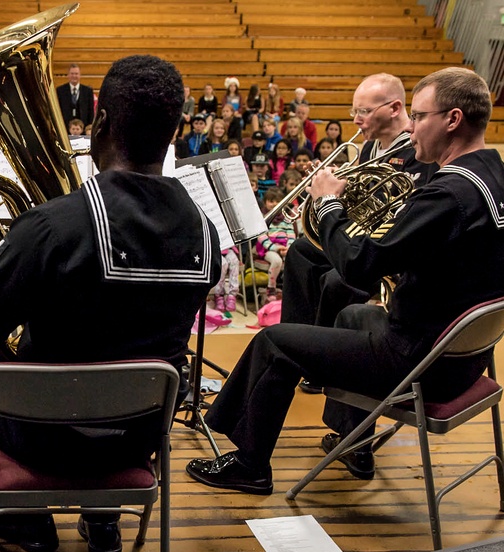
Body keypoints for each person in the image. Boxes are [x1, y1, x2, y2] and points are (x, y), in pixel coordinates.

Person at [0, 55, 219, 552]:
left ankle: (21, 521)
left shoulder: (52, 227)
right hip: (136, 438)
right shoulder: (203, 235)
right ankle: (104, 519)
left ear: (100, 124)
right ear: (173, 132)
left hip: (46, 433)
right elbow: (128, 324)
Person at [186, 67, 504, 493]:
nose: (412, 127)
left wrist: (329, 205)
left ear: (453, 119)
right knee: (353, 313)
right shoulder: (492, 172)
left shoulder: (448, 194)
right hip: (466, 355)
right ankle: (354, 438)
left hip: (421, 361)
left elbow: (359, 265)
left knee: (275, 341)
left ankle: (250, 465)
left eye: (420, 115)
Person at [281, 73, 437, 394]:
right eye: (355, 111)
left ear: (394, 108)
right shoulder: (368, 148)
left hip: (383, 248)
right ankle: (295, 342)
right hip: (357, 234)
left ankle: (322, 360)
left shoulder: (418, 151)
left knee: (337, 280)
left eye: (363, 112)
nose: (355, 120)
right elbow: (359, 201)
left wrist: (332, 205)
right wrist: (332, 190)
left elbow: (398, 215)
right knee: (300, 251)